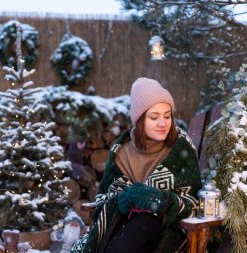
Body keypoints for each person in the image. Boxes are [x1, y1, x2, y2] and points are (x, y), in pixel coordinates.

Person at [71, 77, 202, 253]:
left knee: (144, 222)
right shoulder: (122, 151)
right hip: (127, 229)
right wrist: (121, 201)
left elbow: (194, 204)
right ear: (140, 120)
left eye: (167, 115)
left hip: (166, 229)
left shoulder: (180, 149)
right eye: (154, 117)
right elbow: (104, 198)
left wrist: (160, 200)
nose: (163, 123)